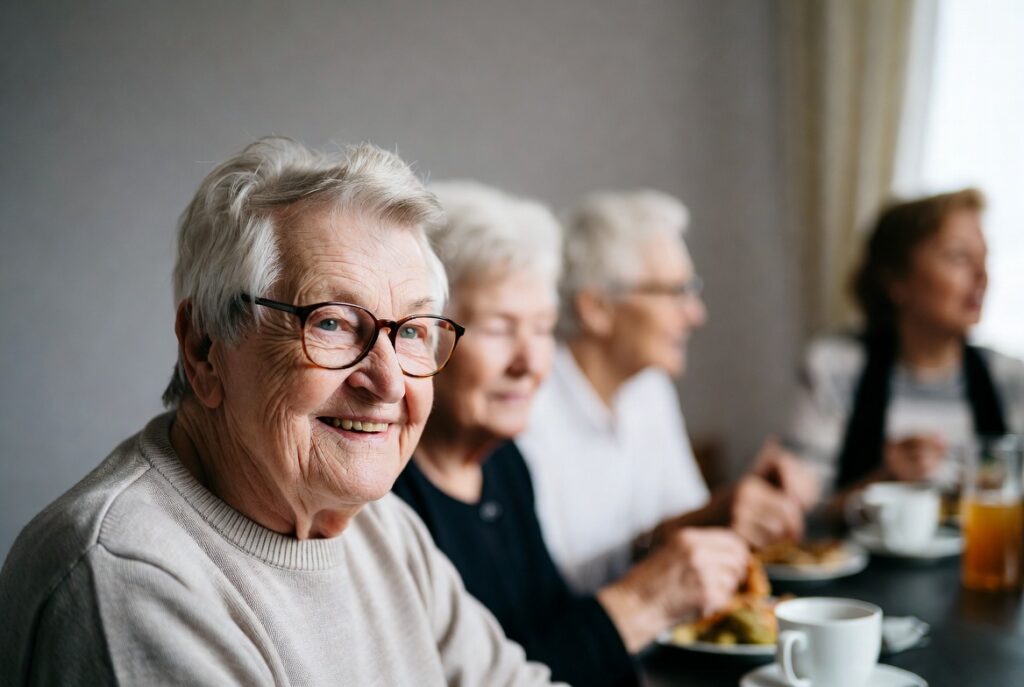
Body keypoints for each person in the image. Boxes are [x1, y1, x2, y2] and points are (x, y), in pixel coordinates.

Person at [0, 138, 560, 685]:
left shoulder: (383, 527)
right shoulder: (127, 575)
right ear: (204, 348)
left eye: (412, 331)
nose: (389, 384)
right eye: (332, 323)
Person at [392, 182, 750, 687]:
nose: (529, 363)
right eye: (499, 328)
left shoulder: (502, 464)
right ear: (423, 336)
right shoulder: (390, 497)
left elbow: (553, 631)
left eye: (542, 328)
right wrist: (642, 602)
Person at [517, 190, 819, 593]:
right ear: (596, 309)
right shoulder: (525, 408)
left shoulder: (649, 388)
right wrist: (698, 521)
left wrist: (747, 500)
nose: (696, 314)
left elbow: (685, 521)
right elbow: (556, 590)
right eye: (675, 292)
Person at [787, 188, 1024, 516]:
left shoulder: (1010, 377)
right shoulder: (835, 367)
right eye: (958, 257)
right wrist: (882, 482)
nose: (982, 276)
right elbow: (795, 513)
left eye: (984, 258)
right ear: (896, 279)